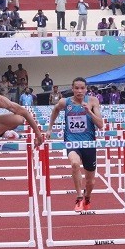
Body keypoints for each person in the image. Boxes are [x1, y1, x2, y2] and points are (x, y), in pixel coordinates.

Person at [46, 77, 104, 211]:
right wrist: (50, 128)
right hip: (71, 141)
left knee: (91, 182)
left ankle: (87, 197)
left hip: (89, 144)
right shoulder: (64, 102)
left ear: (86, 89)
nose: (79, 91)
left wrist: (89, 112)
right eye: (76, 88)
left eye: (82, 88)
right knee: (75, 164)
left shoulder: (92, 101)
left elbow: (100, 125)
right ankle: (79, 197)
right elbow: (55, 110)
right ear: (72, 89)